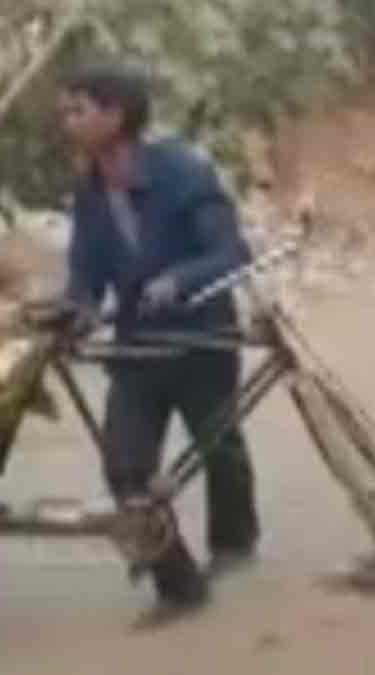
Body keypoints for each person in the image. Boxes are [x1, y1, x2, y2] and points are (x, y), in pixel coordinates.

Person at [58, 64, 260, 626]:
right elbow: (86, 272)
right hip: (137, 350)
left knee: (219, 445)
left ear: (115, 116)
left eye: (78, 109)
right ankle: (179, 584)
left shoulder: (183, 172)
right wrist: (77, 309)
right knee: (125, 467)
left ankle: (235, 539)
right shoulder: (89, 194)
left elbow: (230, 253)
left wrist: (179, 282)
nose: (66, 122)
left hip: (200, 338)